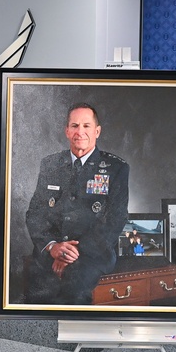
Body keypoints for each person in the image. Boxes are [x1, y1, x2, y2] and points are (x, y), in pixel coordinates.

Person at [24, 103, 129, 304]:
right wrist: (53, 246)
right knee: (32, 292)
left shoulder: (117, 168)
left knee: (74, 292)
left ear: (97, 131)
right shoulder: (50, 164)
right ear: (66, 131)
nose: (80, 132)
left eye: (86, 126)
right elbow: (35, 213)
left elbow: (115, 220)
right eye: (74, 126)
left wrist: (72, 254)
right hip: (50, 253)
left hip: (92, 256)